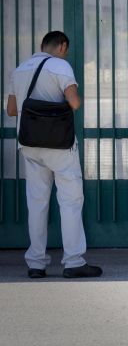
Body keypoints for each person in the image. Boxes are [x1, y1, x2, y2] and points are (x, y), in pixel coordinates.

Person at [6, 31, 102, 279]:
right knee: (70, 201)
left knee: (37, 203)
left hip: (29, 144)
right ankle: (73, 261)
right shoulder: (60, 66)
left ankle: (36, 263)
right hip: (59, 145)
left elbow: (12, 110)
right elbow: (74, 103)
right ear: (62, 46)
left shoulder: (20, 69)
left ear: (41, 45)